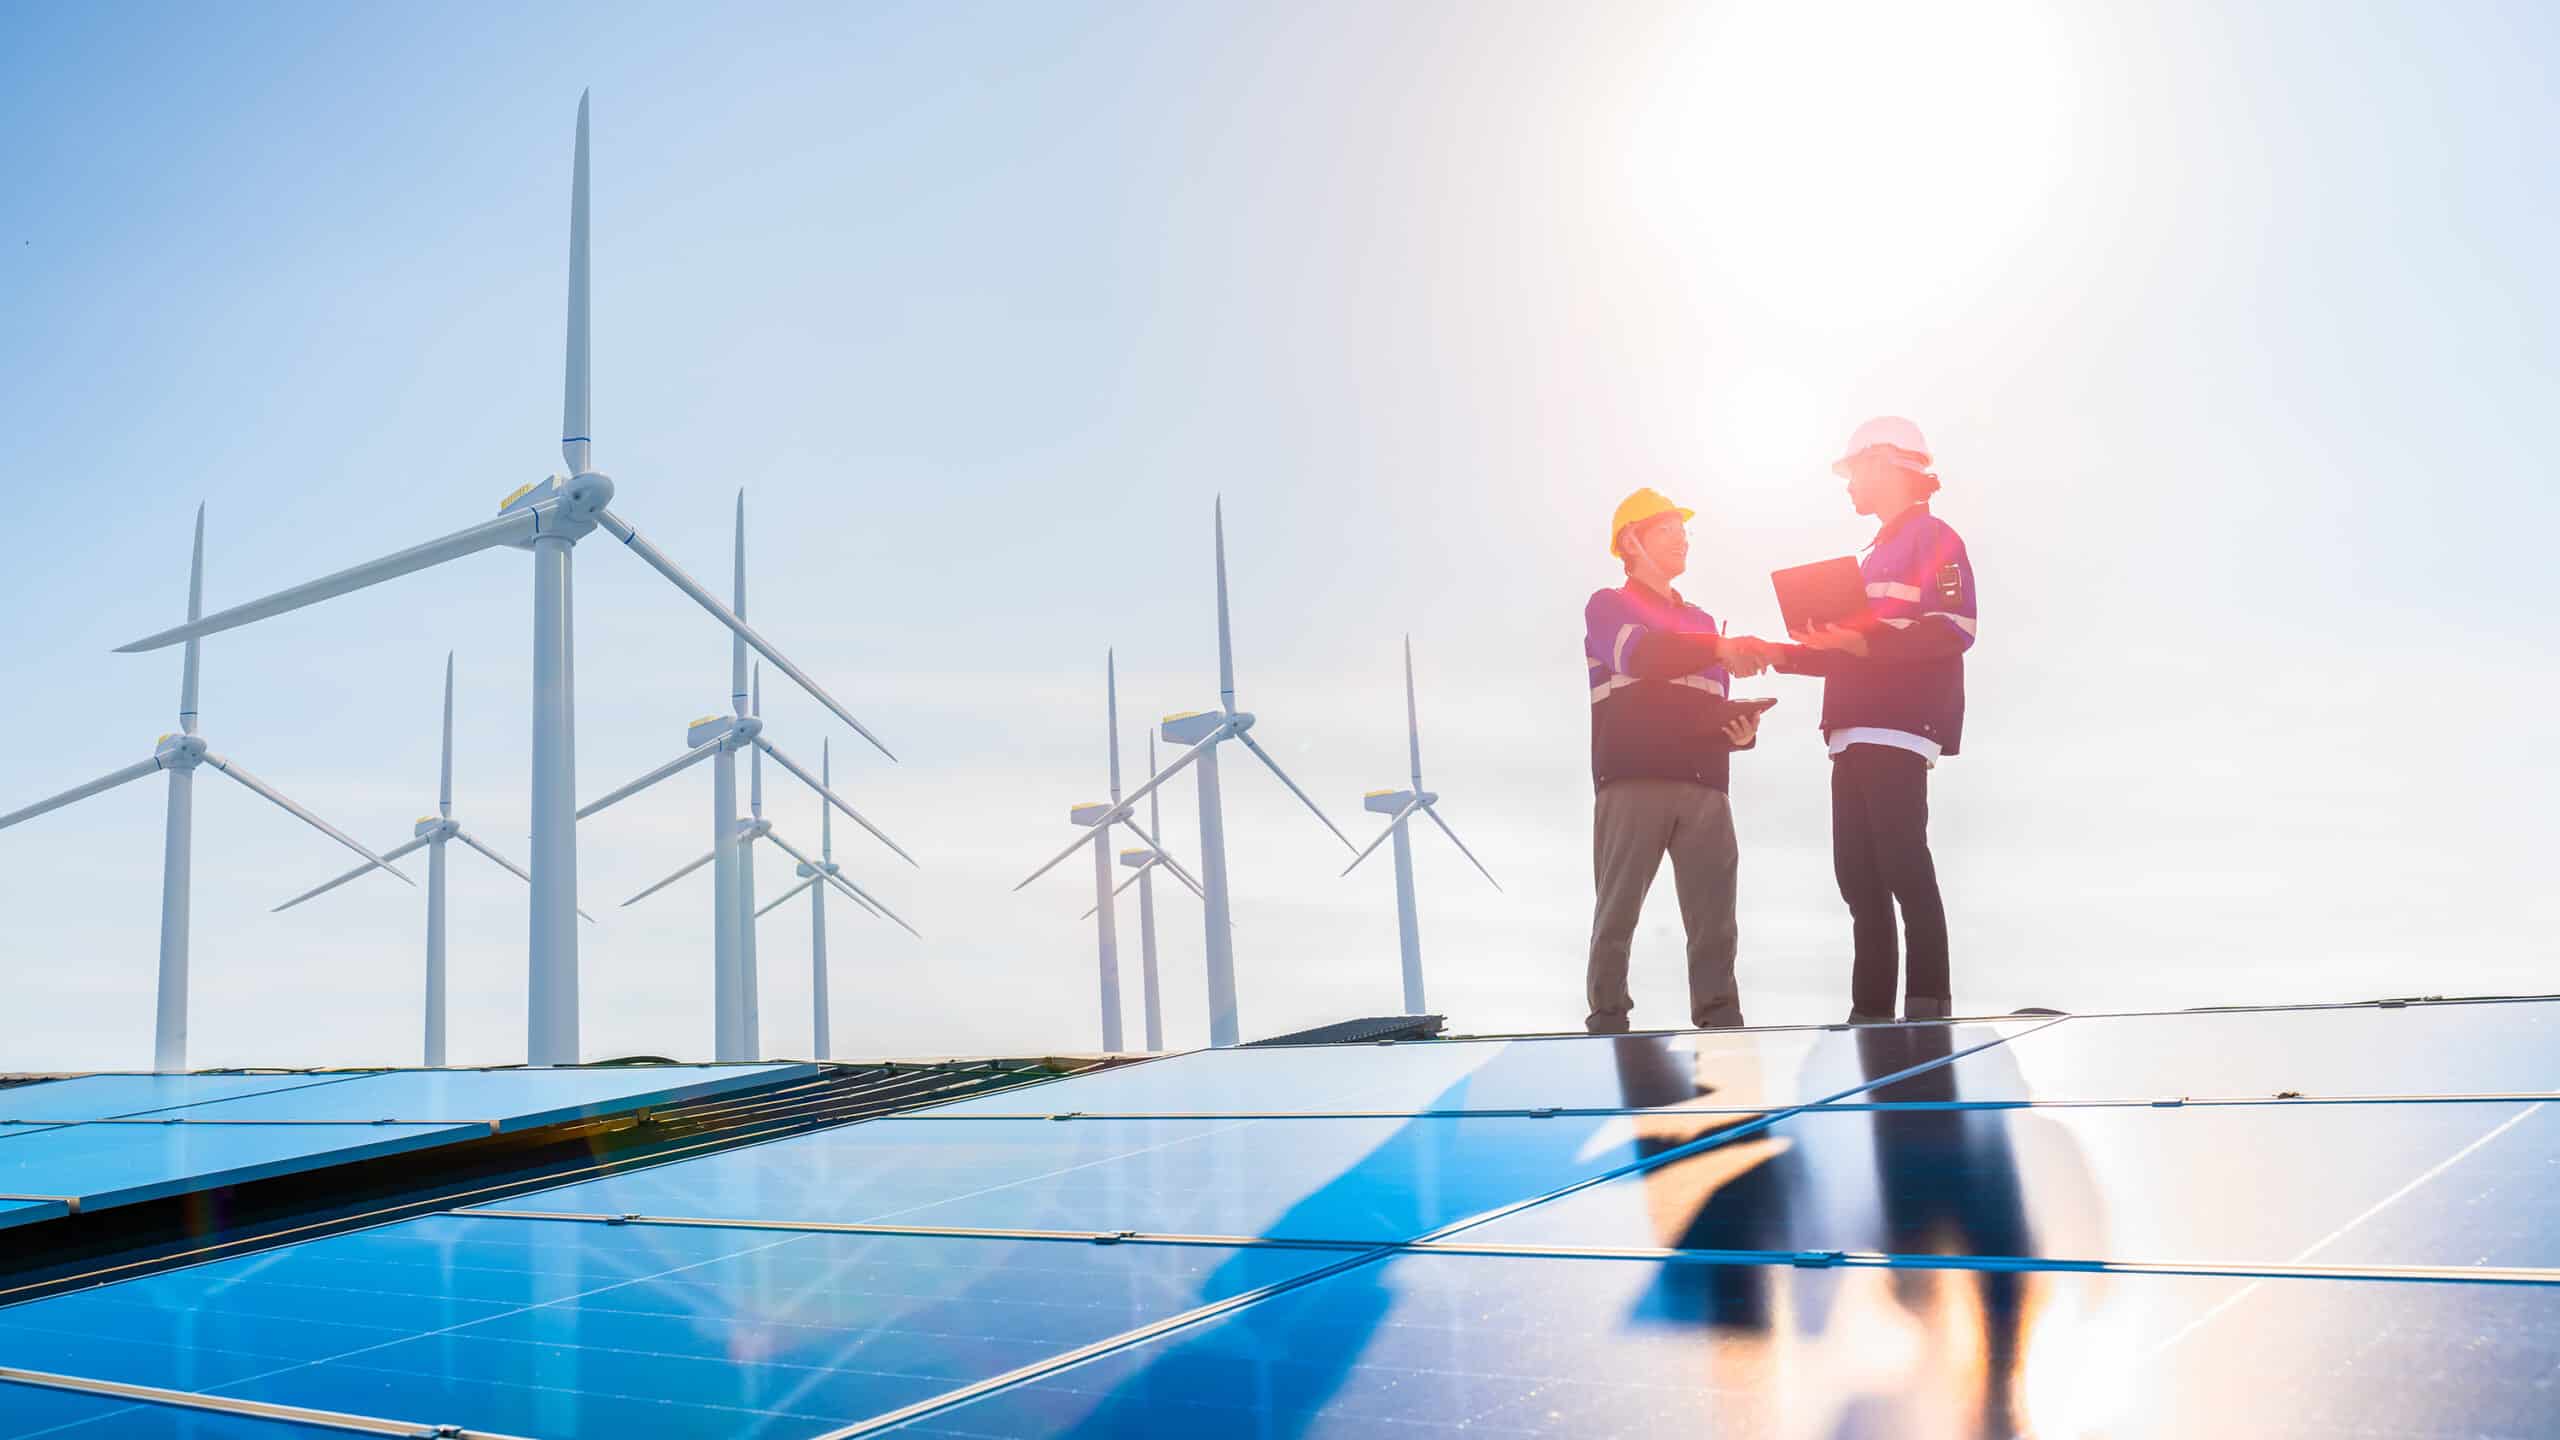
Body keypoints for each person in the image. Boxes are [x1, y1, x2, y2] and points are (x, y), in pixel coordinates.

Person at [1728, 417, 1977, 1023]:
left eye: (1852, 472)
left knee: (1902, 863)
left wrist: (1862, 645)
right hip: (1852, 728)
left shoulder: (1936, 539)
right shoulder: (1873, 557)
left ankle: (1926, 1012)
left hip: (1899, 724)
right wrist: (1779, 652)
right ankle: (1869, 1015)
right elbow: (1847, 647)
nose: (1846, 487)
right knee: (1858, 876)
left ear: (1889, 465)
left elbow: (1955, 629)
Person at [1583, 487, 1767, 1034]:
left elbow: (1708, 701)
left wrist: (1741, 732)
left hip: (1707, 782)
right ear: (1631, 541)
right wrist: (1717, 649)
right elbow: (1639, 655)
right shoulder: (1608, 605)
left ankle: (1720, 1019)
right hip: (1634, 777)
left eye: (1683, 529)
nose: (1682, 537)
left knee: (1716, 919)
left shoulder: (1705, 622)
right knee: (1618, 910)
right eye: (1667, 529)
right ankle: (1609, 1017)